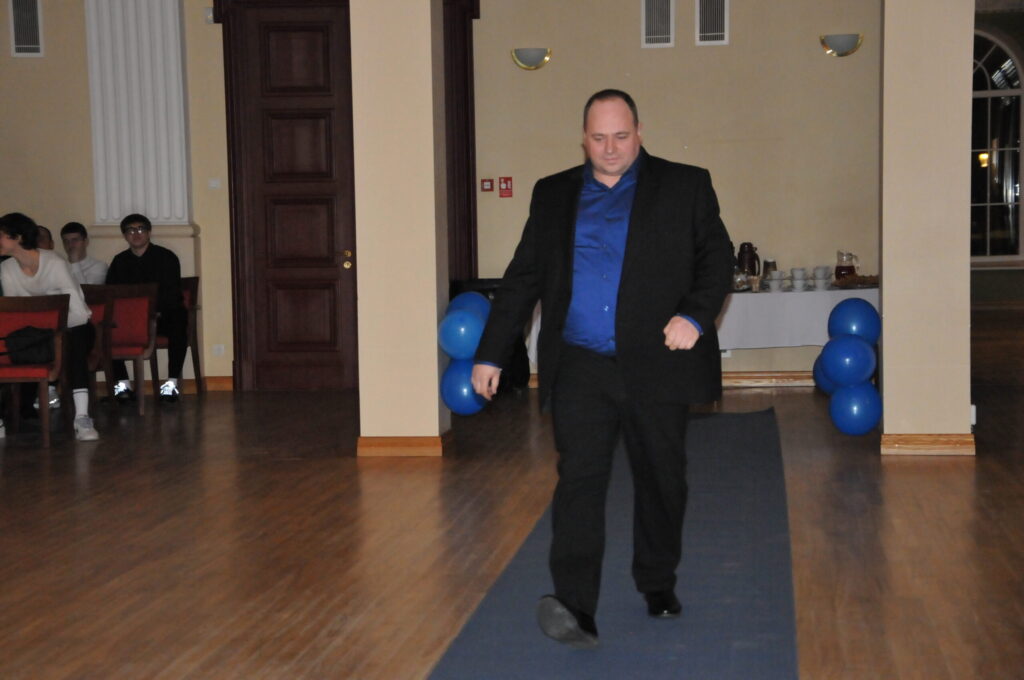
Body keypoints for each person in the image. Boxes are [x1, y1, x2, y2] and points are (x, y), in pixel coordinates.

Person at [471, 90, 733, 648]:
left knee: (661, 479)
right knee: (579, 481)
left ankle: (657, 580)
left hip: (657, 363)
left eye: (620, 136)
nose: (610, 148)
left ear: (639, 132)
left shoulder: (685, 185)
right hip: (581, 365)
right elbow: (523, 277)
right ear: (583, 139)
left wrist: (694, 315)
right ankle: (574, 605)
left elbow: (717, 259)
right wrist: (491, 352)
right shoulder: (553, 194)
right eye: (598, 138)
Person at [0, 212, 99, 441]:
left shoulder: (54, 263)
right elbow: (16, 317)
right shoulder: (7, 269)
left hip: (72, 328)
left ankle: (82, 417)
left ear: (18, 237)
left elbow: (78, 312)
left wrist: (51, 328)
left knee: (74, 339)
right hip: (36, 336)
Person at [105, 213, 187, 403]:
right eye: (130, 230)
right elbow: (111, 294)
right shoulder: (119, 262)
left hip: (162, 317)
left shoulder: (166, 257)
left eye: (141, 229)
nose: (136, 234)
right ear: (125, 235)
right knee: (105, 327)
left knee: (179, 320)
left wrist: (152, 313)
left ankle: (171, 383)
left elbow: (172, 293)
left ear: (149, 232)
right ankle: (123, 385)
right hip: (130, 320)